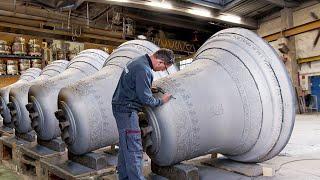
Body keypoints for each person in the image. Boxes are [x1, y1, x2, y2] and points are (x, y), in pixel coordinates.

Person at [112, 48, 175, 180]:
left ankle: (123, 177)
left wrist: (146, 87)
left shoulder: (137, 61)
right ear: (159, 61)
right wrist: (161, 101)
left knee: (125, 147)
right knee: (134, 148)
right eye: (164, 68)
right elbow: (146, 99)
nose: (162, 71)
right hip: (128, 111)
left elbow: (131, 83)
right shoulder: (144, 70)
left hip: (120, 107)